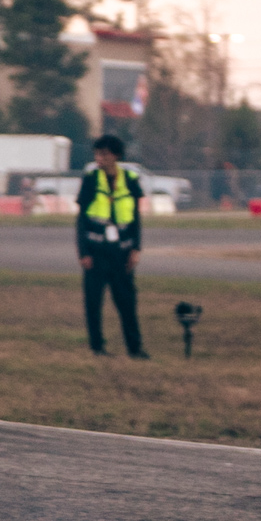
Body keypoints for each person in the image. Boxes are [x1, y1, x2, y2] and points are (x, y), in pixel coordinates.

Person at [77, 134, 148, 359]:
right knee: (93, 302)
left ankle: (135, 348)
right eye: (97, 154)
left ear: (116, 155)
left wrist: (136, 248)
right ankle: (97, 347)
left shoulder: (130, 180)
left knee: (127, 301)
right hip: (96, 252)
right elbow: (81, 220)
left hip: (122, 253)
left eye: (104, 154)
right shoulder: (90, 179)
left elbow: (136, 218)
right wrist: (83, 252)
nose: (99, 158)